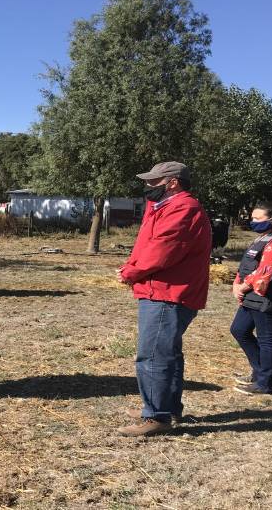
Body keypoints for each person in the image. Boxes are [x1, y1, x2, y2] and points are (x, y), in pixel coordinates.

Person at [116, 161, 212, 437]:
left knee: (154, 355)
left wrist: (131, 271)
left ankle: (156, 416)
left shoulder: (183, 209)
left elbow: (163, 249)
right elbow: (150, 243)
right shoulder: (167, 207)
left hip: (168, 292)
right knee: (167, 353)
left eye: (153, 182)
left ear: (172, 182)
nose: (148, 187)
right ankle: (165, 407)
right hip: (164, 289)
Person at [229, 201, 272, 395]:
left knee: (267, 339)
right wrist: (236, 284)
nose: (253, 221)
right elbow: (247, 264)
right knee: (239, 330)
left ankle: (266, 384)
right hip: (251, 296)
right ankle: (260, 372)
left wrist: (243, 286)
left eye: (257, 218)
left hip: (267, 297)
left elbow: (265, 271)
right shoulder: (263, 238)